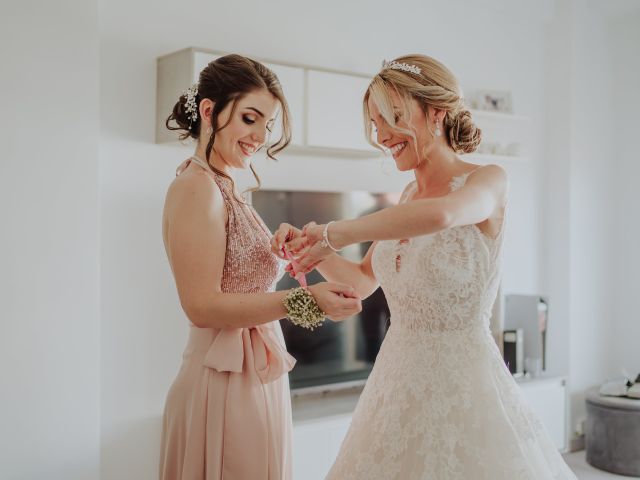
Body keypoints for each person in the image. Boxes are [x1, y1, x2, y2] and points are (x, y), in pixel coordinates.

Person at [272, 55, 577, 479]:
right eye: (374, 122)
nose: (380, 135)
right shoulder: (408, 196)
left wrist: (335, 232)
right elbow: (362, 283)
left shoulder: (488, 180)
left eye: (391, 117)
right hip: (396, 384)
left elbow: (445, 215)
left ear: (436, 112)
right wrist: (317, 253)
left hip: (465, 389)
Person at [159, 54, 361, 480]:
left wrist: (280, 248)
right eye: (250, 119)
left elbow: (240, 277)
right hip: (223, 381)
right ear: (210, 111)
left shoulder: (226, 185)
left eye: (266, 126)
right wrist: (305, 301)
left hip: (256, 374)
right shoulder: (196, 187)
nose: (259, 137)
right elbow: (201, 306)